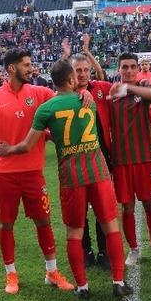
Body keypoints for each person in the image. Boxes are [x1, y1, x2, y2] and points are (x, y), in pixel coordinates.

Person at [6, 60, 132, 299]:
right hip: (98, 170)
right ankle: (118, 281)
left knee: (74, 231)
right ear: (72, 79)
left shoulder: (46, 109)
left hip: (71, 175)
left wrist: (7, 150)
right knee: (110, 227)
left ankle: (82, 287)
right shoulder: (88, 100)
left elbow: (26, 146)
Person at [0, 49, 75, 295]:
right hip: (5, 174)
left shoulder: (40, 93)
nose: (31, 68)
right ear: (12, 68)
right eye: (26, 65)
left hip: (33, 173)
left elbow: (64, 99)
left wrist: (84, 97)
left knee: (43, 220)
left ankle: (51, 271)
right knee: (6, 224)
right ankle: (11, 274)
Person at [108, 53, 151, 266]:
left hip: (144, 159)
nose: (129, 71)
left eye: (133, 67)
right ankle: (133, 250)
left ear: (137, 69)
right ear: (118, 69)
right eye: (124, 67)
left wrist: (129, 88)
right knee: (127, 207)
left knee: (150, 204)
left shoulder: (143, 88)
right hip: (121, 161)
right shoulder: (111, 94)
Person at [65, 37, 111, 269]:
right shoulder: (62, 96)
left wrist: (148, 85)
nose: (82, 74)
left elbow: (122, 86)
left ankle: (104, 251)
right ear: (70, 72)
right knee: (79, 209)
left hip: (102, 159)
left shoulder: (101, 89)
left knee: (102, 208)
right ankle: (86, 250)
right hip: (74, 162)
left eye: (85, 70)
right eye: (77, 70)